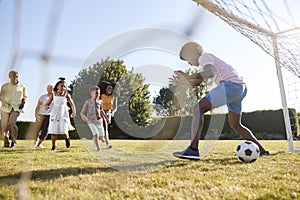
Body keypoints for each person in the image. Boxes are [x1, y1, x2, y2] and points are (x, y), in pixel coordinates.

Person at [170, 42, 270, 160]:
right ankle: (262, 151)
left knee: (198, 108)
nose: (189, 63)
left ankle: (193, 149)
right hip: (240, 88)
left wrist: (189, 76)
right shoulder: (207, 62)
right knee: (236, 125)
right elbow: (197, 83)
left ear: (192, 53)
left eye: (188, 59)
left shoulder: (204, 57)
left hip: (230, 85)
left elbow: (210, 73)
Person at [45, 77, 76, 151]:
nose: (63, 87)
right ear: (57, 86)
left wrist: (74, 111)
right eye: (61, 86)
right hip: (54, 114)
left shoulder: (66, 95)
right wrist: (47, 106)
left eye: (64, 86)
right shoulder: (53, 94)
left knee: (64, 131)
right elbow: (47, 103)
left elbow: (72, 104)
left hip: (63, 114)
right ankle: (53, 146)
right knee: (53, 131)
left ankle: (67, 138)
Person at [0, 70, 27, 148]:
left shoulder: (22, 86)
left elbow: (24, 97)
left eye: (16, 76)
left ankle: (14, 141)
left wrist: (23, 103)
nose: (15, 78)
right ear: (9, 77)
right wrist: (4, 102)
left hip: (16, 108)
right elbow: (1, 96)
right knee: (4, 125)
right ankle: (6, 141)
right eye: (13, 76)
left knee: (12, 122)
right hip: (5, 108)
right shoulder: (4, 86)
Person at [80, 86, 109, 151]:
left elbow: (101, 111)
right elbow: (82, 112)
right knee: (96, 133)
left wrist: (106, 118)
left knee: (101, 135)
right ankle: (98, 148)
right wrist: (83, 116)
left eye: (98, 93)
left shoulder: (100, 102)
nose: (97, 95)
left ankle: (101, 138)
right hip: (90, 121)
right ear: (91, 94)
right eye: (96, 93)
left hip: (99, 121)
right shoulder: (88, 102)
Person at [100, 84, 117, 149]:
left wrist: (113, 112)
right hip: (101, 110)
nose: (109, 90)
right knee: (103, 124)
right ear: (106, 89)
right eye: (108, 88)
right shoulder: (102, 96)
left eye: (111, 89)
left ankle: (107, 142)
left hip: (108, 112)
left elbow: (115, 107)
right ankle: (103, 138)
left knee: (106, 127)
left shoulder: (113, 97)